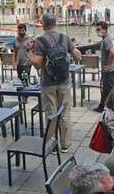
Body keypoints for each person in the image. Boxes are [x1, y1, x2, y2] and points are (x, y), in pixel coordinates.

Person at [29, 13, 81, 153]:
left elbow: (38, 65)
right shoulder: (65, 38)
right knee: (65, 112)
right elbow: (77, 56)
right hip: (64, 80)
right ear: (56, 23)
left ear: (43, 24)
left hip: (48, 83)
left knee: (51, 112)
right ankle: (65, 144)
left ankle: (52, 145)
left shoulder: (40, 41)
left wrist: (29, 52)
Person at [94, 21, 114, 113]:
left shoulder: (106, 40)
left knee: (108, 89)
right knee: (107, 88)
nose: (97, 31)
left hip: (109, 69)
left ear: (104, 29)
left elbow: (112, 52)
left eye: (99, 29)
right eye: (96, 29)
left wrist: (107, 65)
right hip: (110, 68)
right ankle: (102, 106)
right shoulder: (108, 38)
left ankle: (108, 107)